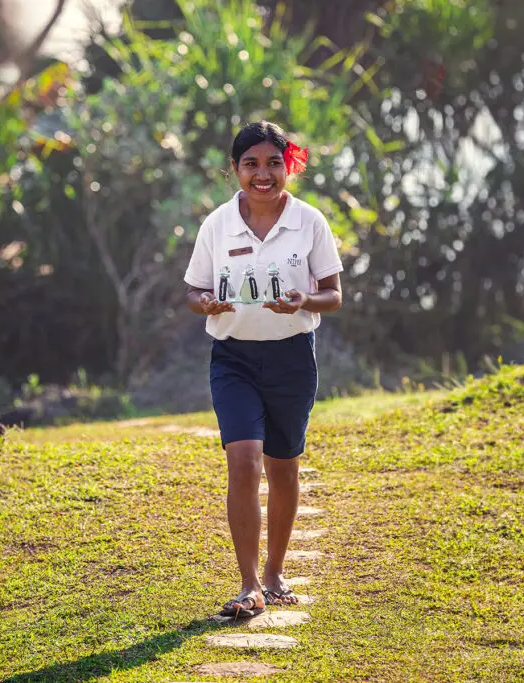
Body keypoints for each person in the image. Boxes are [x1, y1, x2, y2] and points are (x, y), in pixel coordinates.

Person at [183, 121, 344, 618]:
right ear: (235, 169)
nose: (263, 174)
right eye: (251, 163)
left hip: (292, 357)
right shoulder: (216, 225)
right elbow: (193, 291)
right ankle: (248, 584)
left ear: (288, 165)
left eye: (274, 162)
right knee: (244, 459)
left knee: (284, 466)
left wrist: (304, 298)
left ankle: (275, 574)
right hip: (233, 360)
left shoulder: (310, 222)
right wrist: (205, 304)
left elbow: (333, 295)